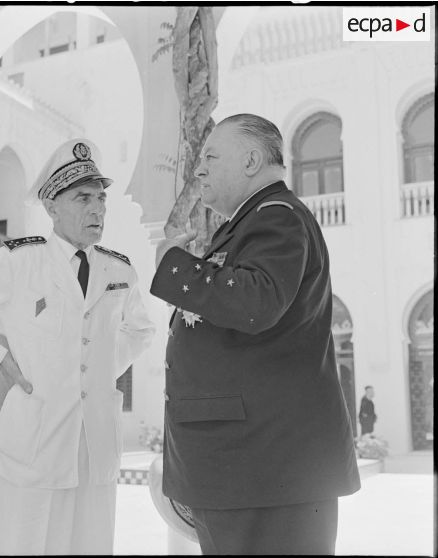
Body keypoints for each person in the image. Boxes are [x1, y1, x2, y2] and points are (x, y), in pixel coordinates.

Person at [0, 138, 155, 555]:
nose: (98, 208)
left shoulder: (120, 270)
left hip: (95, 448)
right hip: (34, 446)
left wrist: (104, 368)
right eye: (83, 197)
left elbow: (140, 331)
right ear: (52, 206)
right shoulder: (18, 263)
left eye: (102, 197)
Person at [150, 114, 360, 555]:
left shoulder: (276, 218)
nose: (199, 169)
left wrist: (174, 264)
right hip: (254, 471)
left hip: (265, 472)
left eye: (210, 156)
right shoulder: (250, 225)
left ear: (250, 160)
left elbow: (255, 302)